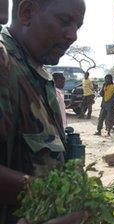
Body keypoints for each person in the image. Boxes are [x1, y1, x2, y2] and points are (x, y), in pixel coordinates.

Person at [0, 0, 86, 223]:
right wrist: (52, 192)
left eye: (78, 26)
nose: (73, 35)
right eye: (65, 21)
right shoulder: (4, 63)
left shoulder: (37, 71)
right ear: (27, 12)